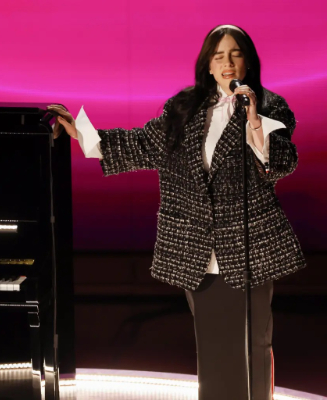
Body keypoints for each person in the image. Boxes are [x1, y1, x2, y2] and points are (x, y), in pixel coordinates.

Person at [48, 24, 305, 400]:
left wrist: (252, 120)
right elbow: (142, 144)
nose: (227, 63)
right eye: (219, 56)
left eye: (235, 54)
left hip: (248, 249)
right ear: (208, 63)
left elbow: (280, 162)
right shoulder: (184, 107)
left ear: (248, 61)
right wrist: (82, 133)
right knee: (214, 348)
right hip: (196, 250)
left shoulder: (268, 105)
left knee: (252, 345)